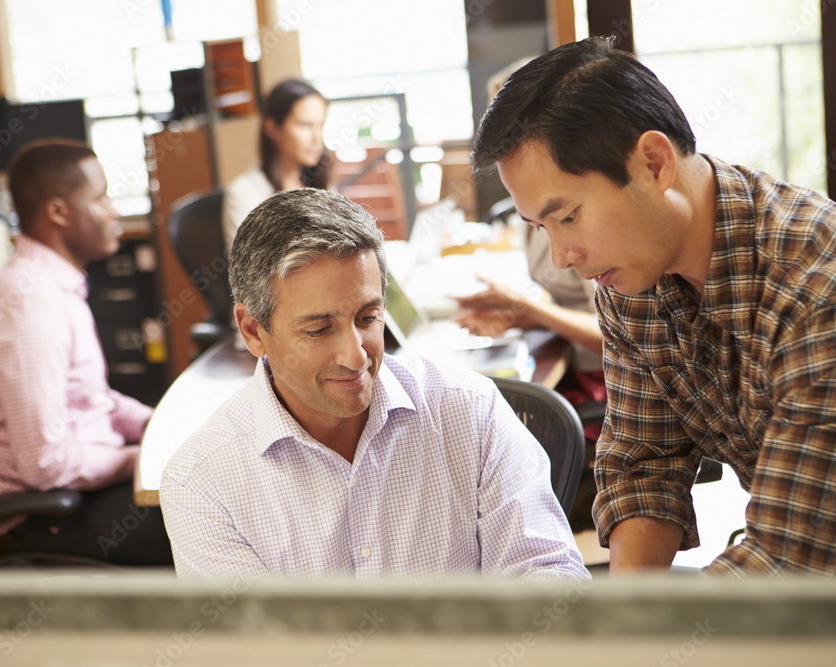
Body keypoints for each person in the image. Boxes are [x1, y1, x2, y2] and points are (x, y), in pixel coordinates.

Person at [471, 36, 836, 577]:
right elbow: (643, 462)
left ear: (654, 163)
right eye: (541, 227)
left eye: (568, 217)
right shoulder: (633, 272)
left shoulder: (832, 292)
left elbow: (785, 558)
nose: (562, 257)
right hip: (803, 529)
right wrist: (628, 620)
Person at [161, 188, 589, 580]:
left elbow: (548, 577)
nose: (356, 357)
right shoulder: (203, 482)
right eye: (318, 330)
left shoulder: (472, 412)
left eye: (367, 319)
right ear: (253, 331)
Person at [0, 139, 173, 566]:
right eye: (101, 198)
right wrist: (136, 461)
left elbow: (93, 399)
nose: (112, 211)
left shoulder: (54, 286)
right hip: (36, 514)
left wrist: (160, 427)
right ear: (58, 212)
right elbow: (45, 465)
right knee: (207, 523)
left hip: (71, 491)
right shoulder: (30, 306)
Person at [454, 58, 608, 534]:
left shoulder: (593, 226)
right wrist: (523, 319)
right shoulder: (531, 211)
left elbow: (612, 332)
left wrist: (530, 310)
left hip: (600, 383)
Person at [221, 78, 333, 248]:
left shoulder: (321, 183)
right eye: (305, 125)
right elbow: (251, 272)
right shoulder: (244, 194)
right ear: (272, 128)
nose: (318, 138)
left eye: (321, 125)